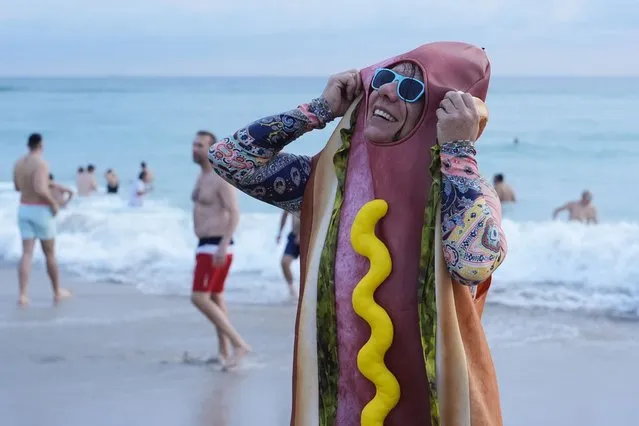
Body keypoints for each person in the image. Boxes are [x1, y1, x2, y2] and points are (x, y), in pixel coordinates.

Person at [209, 42, 507, 426]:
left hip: (433, 407)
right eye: (384, 78)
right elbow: (230, 159)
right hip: (339, 405)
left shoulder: (468, 191)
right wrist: (318, 111)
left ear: (439, 112)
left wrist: (459, 150)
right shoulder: (329, 184)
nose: (386, 91)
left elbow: (473, 264)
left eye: (411, 89)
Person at [190, 130, 250, 369]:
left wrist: (224, 245)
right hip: (205, 245)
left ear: (211, 149)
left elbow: (235, 213)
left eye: (200, 145)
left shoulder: (219, 177)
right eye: (193, 144)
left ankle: (239, 344)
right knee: (215, 297)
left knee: (198, 297)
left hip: (216, 245)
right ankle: (223, 352)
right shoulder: (201, 177)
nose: (194, 149)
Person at [12, 133, 71, 306]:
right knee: (49, 253)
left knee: (27, 253)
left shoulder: (19, 163)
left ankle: (23, 295)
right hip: (39, 211)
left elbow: (17, 187)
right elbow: (39, 188)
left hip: (23, 209)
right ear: (40, 145)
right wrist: (53, 203)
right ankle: (57, 291)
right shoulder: (41, 164)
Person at [276, 210, 300, 299]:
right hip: (293, 236)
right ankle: (292, 290)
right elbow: (285, 215)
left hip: (307, 235)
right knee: (284, 263)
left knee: (308, 267)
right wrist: (279, 233)